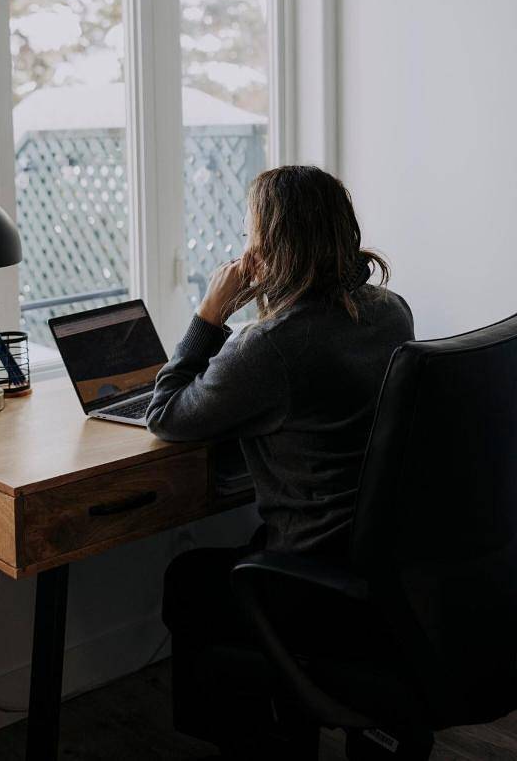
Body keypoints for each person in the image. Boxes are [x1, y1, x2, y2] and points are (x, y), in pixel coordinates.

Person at [146, 165, 415, 757]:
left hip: (310, 574)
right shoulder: (390, 310)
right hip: (386, 565)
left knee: (187, 582)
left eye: (253, 235)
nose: (246, 249)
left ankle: (263, 740)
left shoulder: (269, 347)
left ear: (271, 249)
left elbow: (165, 415)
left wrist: (209, 317)